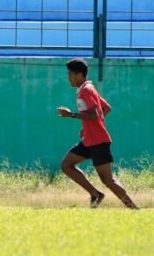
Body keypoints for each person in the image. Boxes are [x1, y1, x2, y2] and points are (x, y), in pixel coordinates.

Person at [57, 58, 139, 209]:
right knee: (66, 165)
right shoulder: (86, 88)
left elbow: (95, 114)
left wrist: (72, 115)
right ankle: (95, 194)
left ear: (79, 75)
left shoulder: (87, 90)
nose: (68, 77)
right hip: (89, 140)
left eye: (70, 74)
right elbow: (106, 108)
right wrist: (88, 126)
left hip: (98, 141)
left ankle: (133, 208)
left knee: (108, 180)